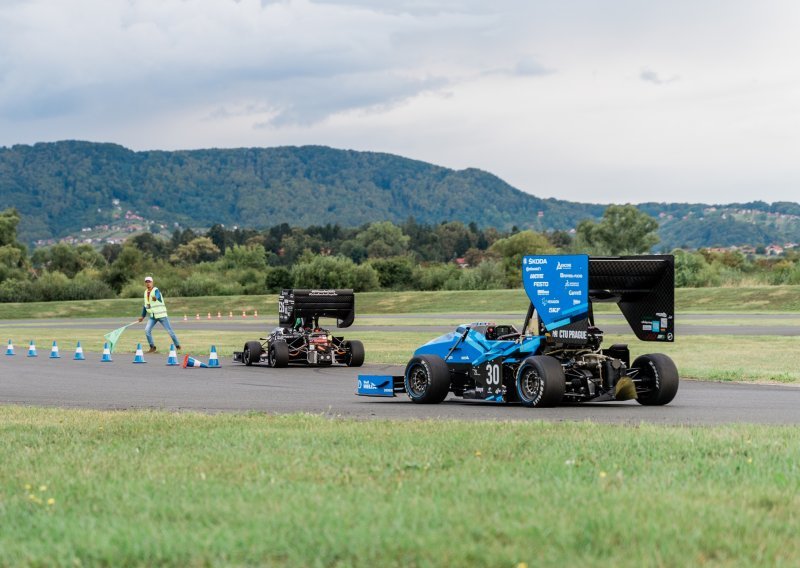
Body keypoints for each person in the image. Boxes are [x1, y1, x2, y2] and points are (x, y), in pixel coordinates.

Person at [137, 276, 181, 353]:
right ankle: (152, 347)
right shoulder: (145, 293)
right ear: (145, 283)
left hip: (162, 316)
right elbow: (146, 305)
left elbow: (157, 296)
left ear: (152, 282)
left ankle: (177, 346)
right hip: (152, 317)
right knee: (147, 330)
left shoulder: (156, 290)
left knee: (170, 331)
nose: (148, 283)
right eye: (146, 282)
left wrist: (155, 298)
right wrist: (142, 316)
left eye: (149, 282)